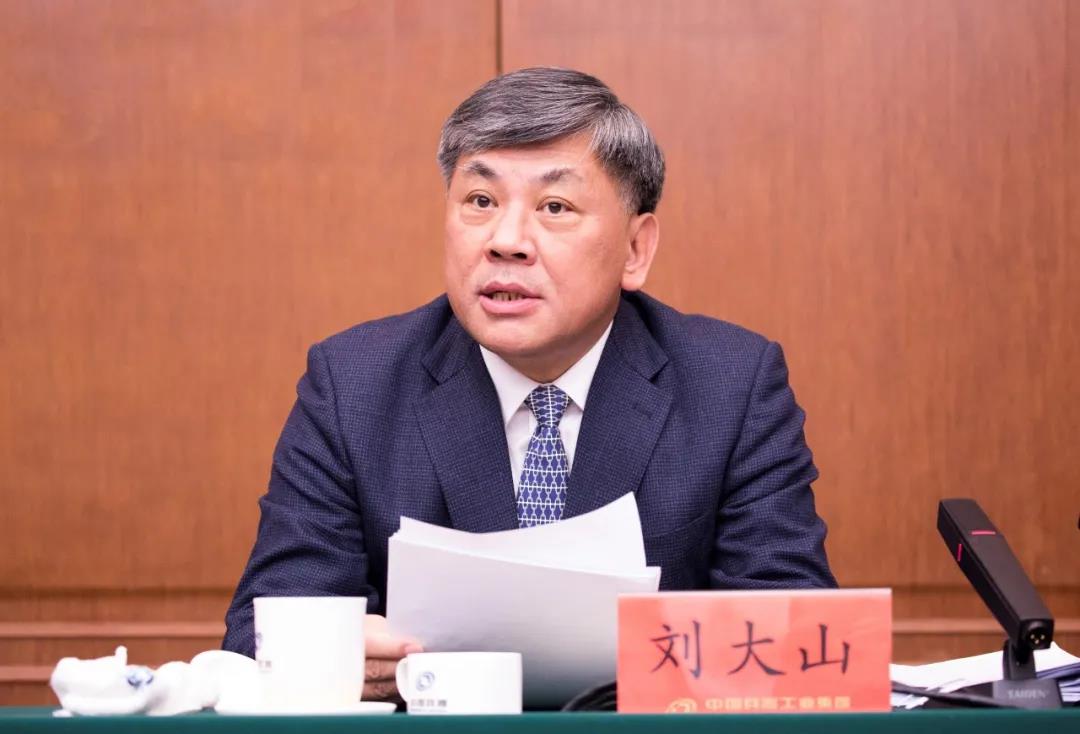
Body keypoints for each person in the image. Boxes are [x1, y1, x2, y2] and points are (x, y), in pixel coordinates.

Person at [223, 67, 836, 701]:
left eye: (555, 207)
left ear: (635, 249)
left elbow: (798, 638)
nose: (506, 241)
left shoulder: (731, 386)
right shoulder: (354, 385)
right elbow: (258, 636)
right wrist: (330, 655)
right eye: (480, 201)